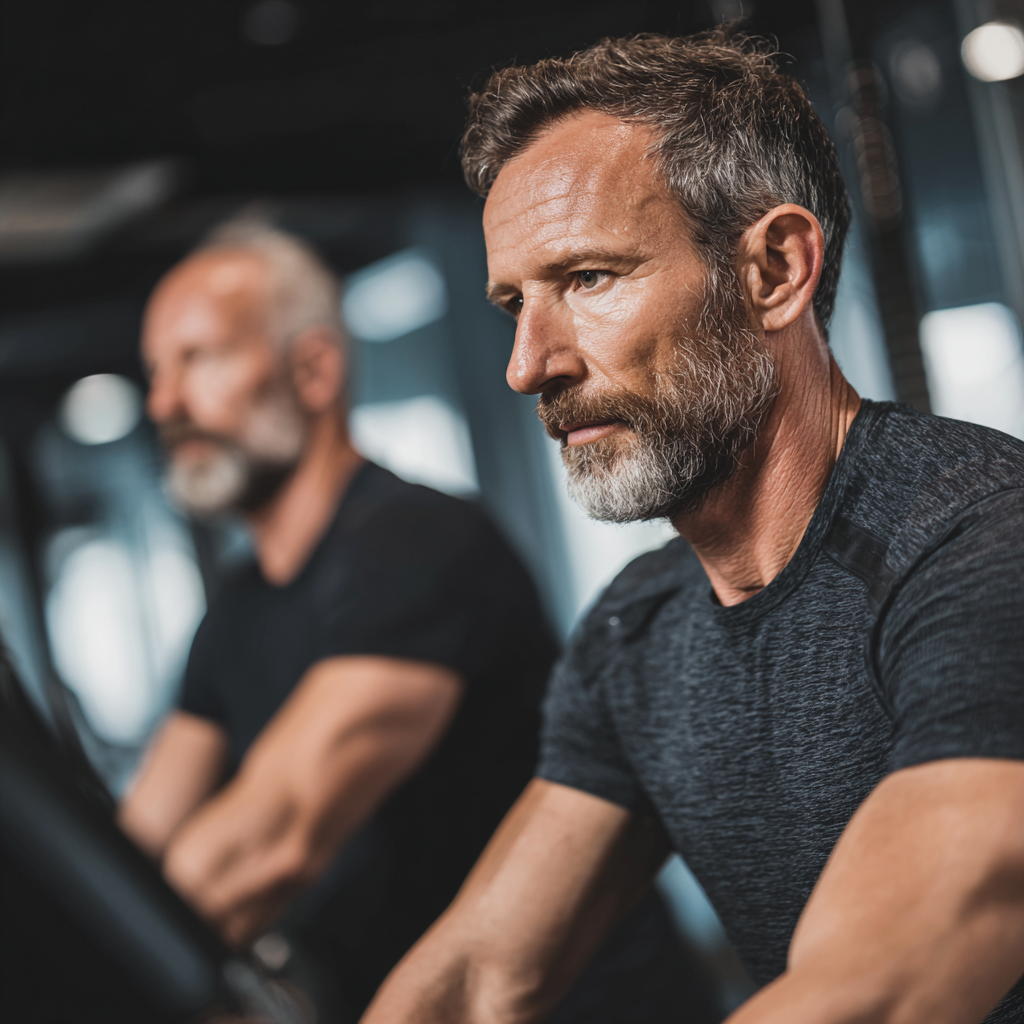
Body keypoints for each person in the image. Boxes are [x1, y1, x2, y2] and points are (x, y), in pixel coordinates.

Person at [360, 30, 1024, 1024]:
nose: (529, 364)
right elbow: (472, 981)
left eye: (588, 278)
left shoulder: (979, 545)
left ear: (773, 270)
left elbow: (877, 990)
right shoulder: (639, 628)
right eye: (513, 302)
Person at [119, 224, 715, 1023]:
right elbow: (142, 841)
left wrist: (94, 978)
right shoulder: (238, 606)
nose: (164, 403)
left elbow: (265, 845)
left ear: (315, 369)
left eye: (198, 359)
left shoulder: (418, 547)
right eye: (156, 373)